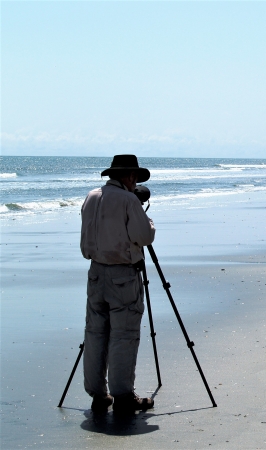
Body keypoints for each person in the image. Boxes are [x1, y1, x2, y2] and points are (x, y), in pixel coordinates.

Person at [80, 154, 156, 413]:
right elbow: (144, 237)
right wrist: (149, 220)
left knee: (95, 333)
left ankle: (97, 394)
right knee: (123, 335)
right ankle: (123, 396)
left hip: (95, 273)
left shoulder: (91, 197)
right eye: (134, 178)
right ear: (130, 176)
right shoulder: (127, 200)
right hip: (123, 275)